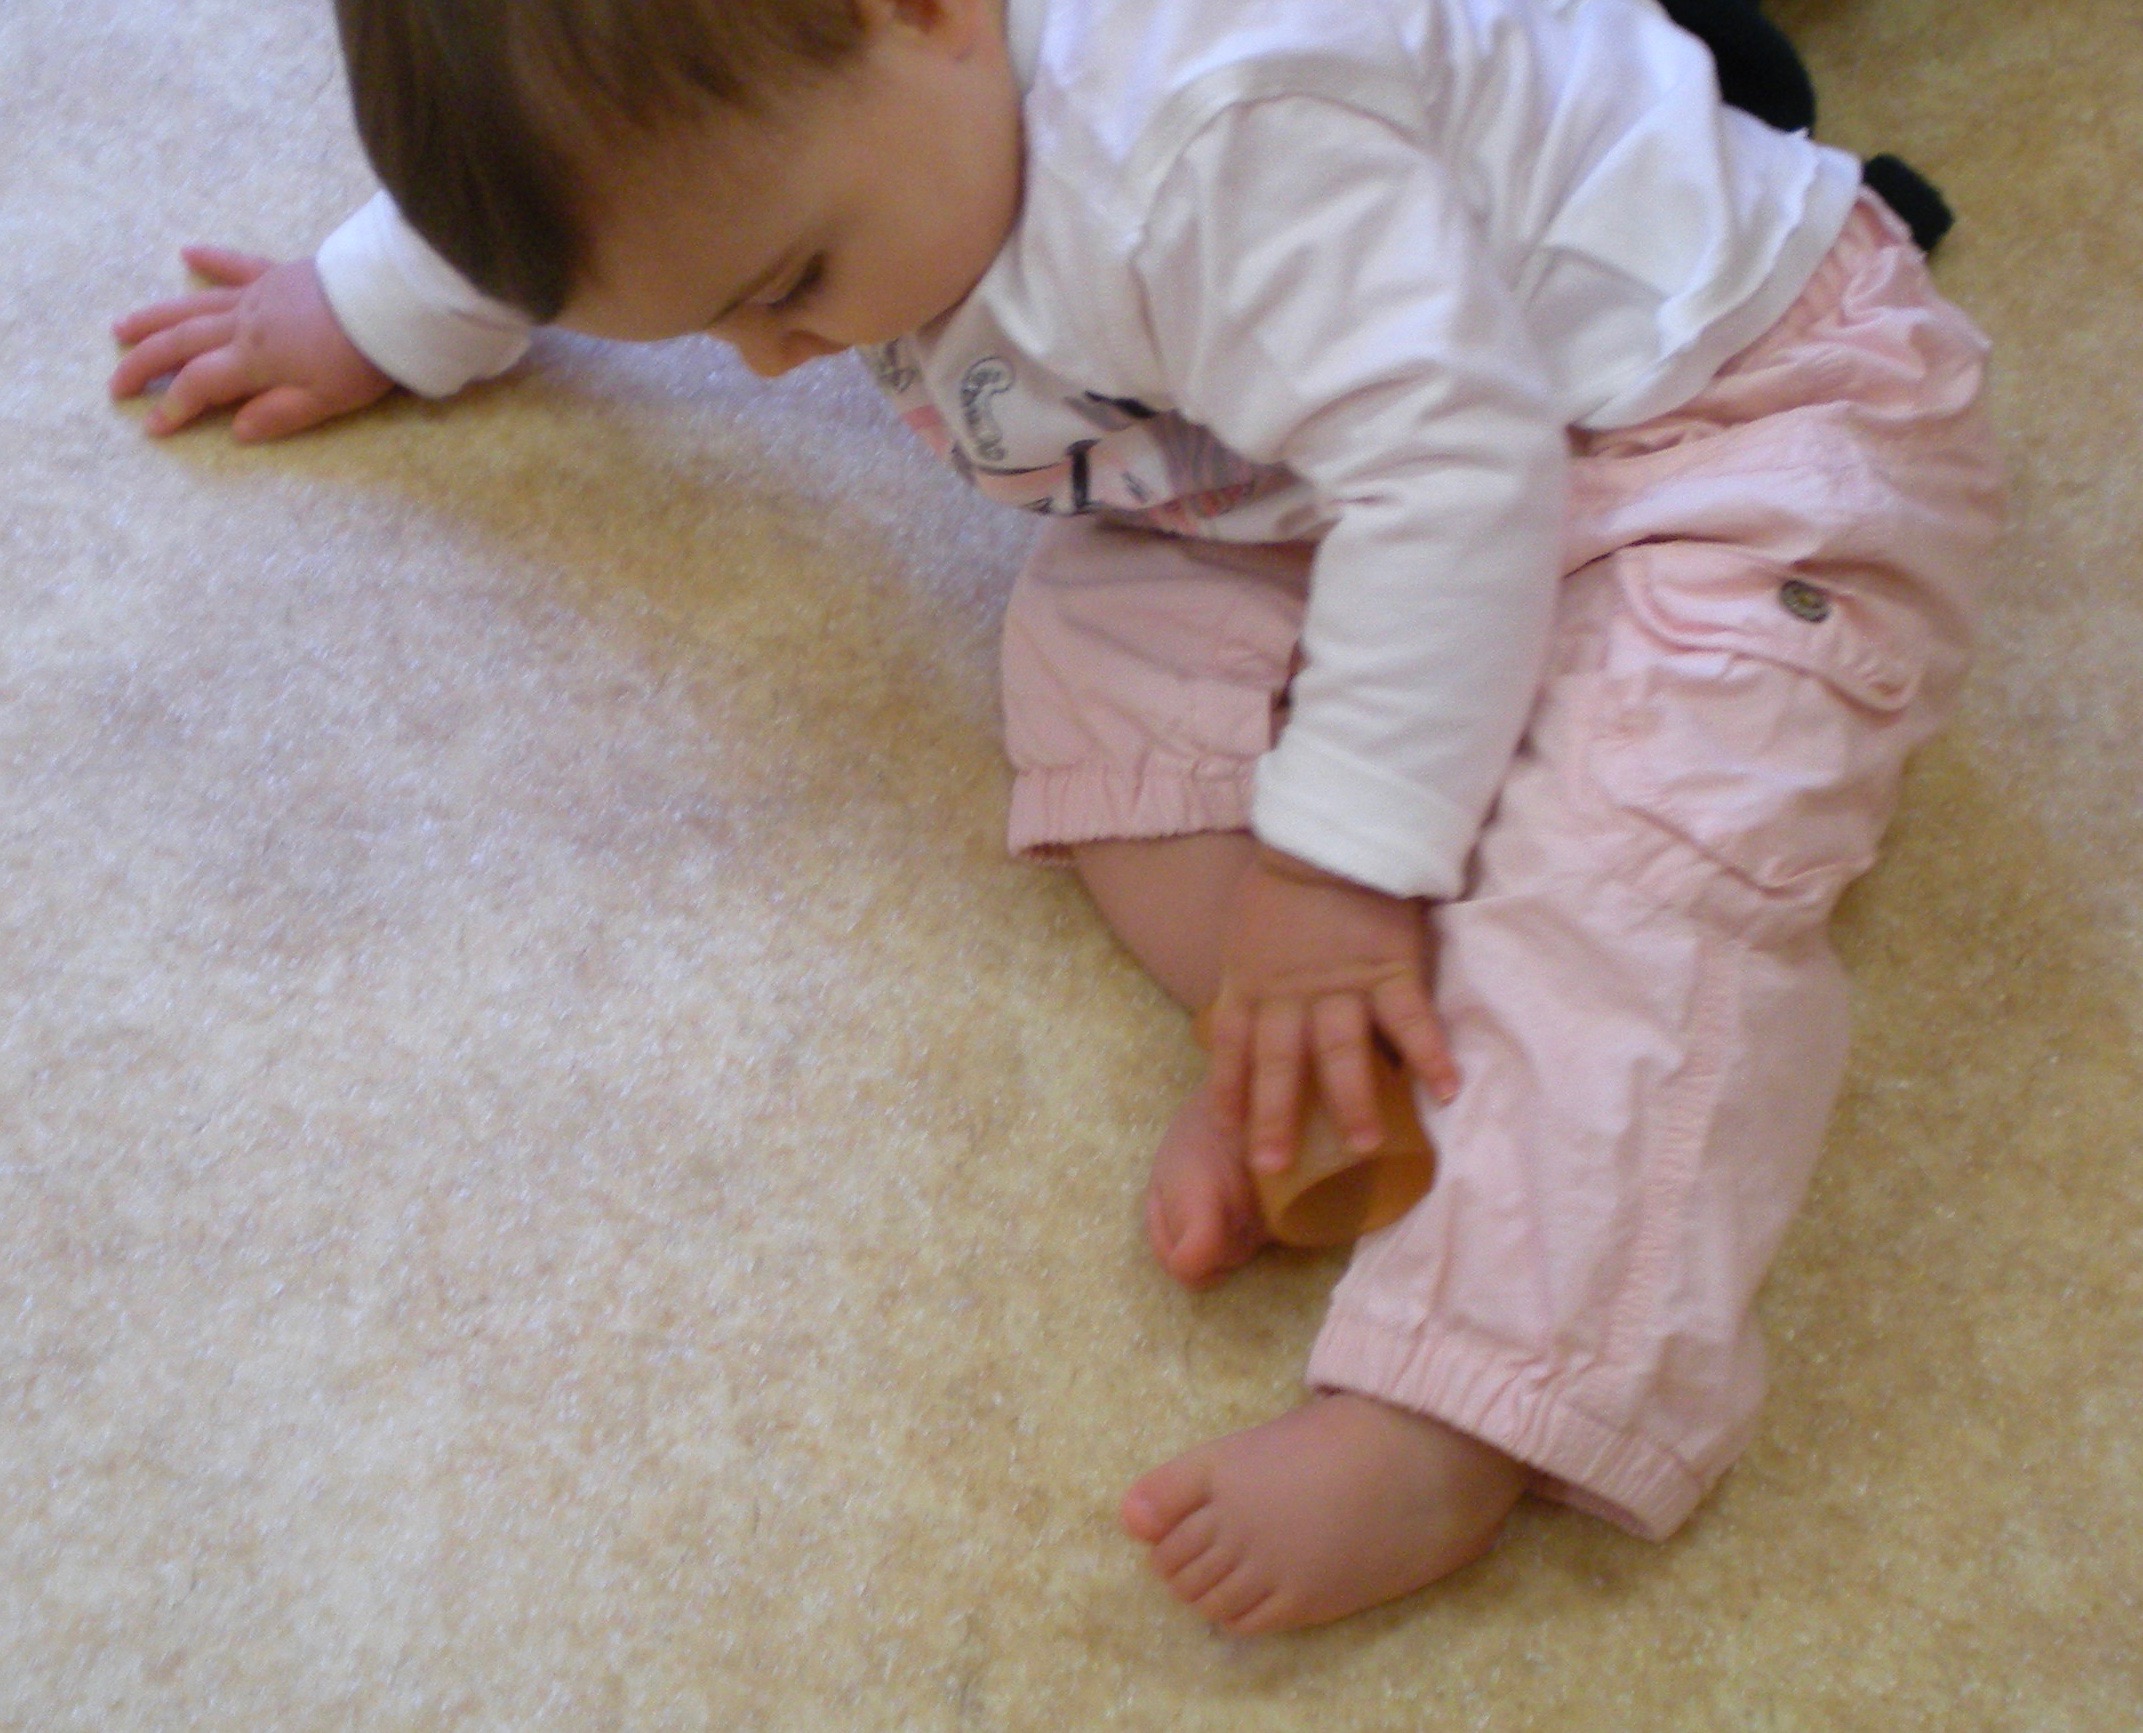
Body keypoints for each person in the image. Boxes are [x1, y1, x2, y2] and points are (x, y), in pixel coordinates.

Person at [108, 0, 2006, 1636]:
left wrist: (1339, 874)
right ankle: (1312, 1040)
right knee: (1097, 642)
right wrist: (375, 303)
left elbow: (1456, 475)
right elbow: (609, 142)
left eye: (789, 285)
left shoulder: (1206, 136)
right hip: (1310, 465)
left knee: (1639, 884)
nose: (773, 364)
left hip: (1716, 432)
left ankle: (1466, 1403)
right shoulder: (818, 85)